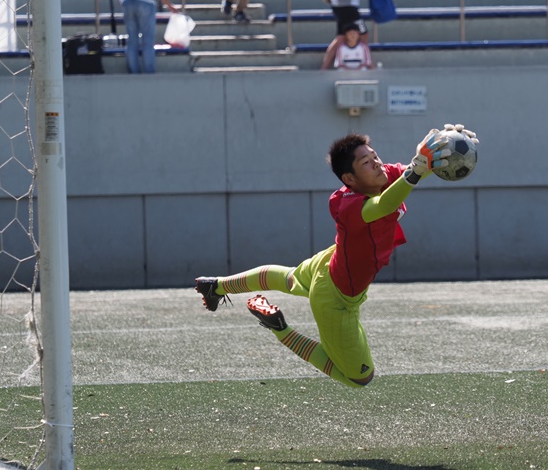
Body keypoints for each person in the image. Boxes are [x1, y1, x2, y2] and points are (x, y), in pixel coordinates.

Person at [195, 125, 479, 388]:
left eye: (375, 156)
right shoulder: (350, 205)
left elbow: (412, 171)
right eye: (366, 162)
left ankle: (215, 285)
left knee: (288, 278)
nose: (377, 163)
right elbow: (384, 204)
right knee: (359, 379)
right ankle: (279, 327)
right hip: (336, 298)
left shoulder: (381, 176)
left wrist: (436, 150)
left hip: (329, 262)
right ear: (350, 179)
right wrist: (417, 170)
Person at [116, 0, 178, 74]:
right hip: (146, 3)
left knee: (132, 40)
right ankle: (149, 72)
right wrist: (170, 6)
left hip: (127, 2)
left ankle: (133, 72)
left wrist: (124, 4)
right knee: (148, 40)